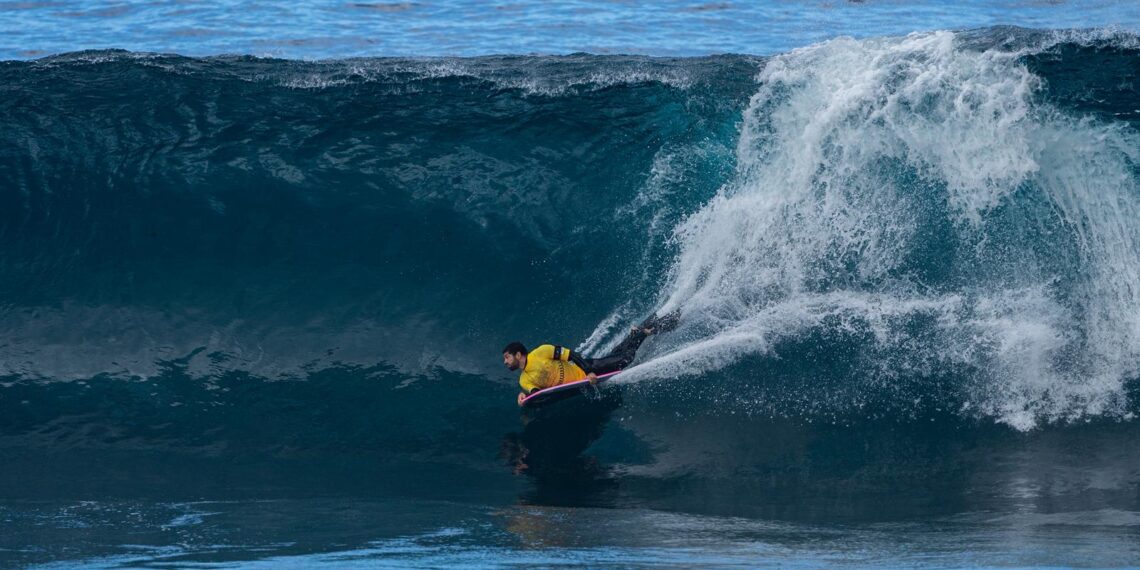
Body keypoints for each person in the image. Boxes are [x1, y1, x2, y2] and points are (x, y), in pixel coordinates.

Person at [503, 310, 680, 406]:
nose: (505, 362)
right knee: (617, 354)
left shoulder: (541, 352)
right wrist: (526, 399)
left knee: (625, 359)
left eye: (507, 357)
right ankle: (637, 331)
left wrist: (588, 372)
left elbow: (571, 354)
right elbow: (540, 396)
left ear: (519, 354)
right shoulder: (524, 380)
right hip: (579, 384)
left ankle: (643, 333)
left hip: (588, 368)